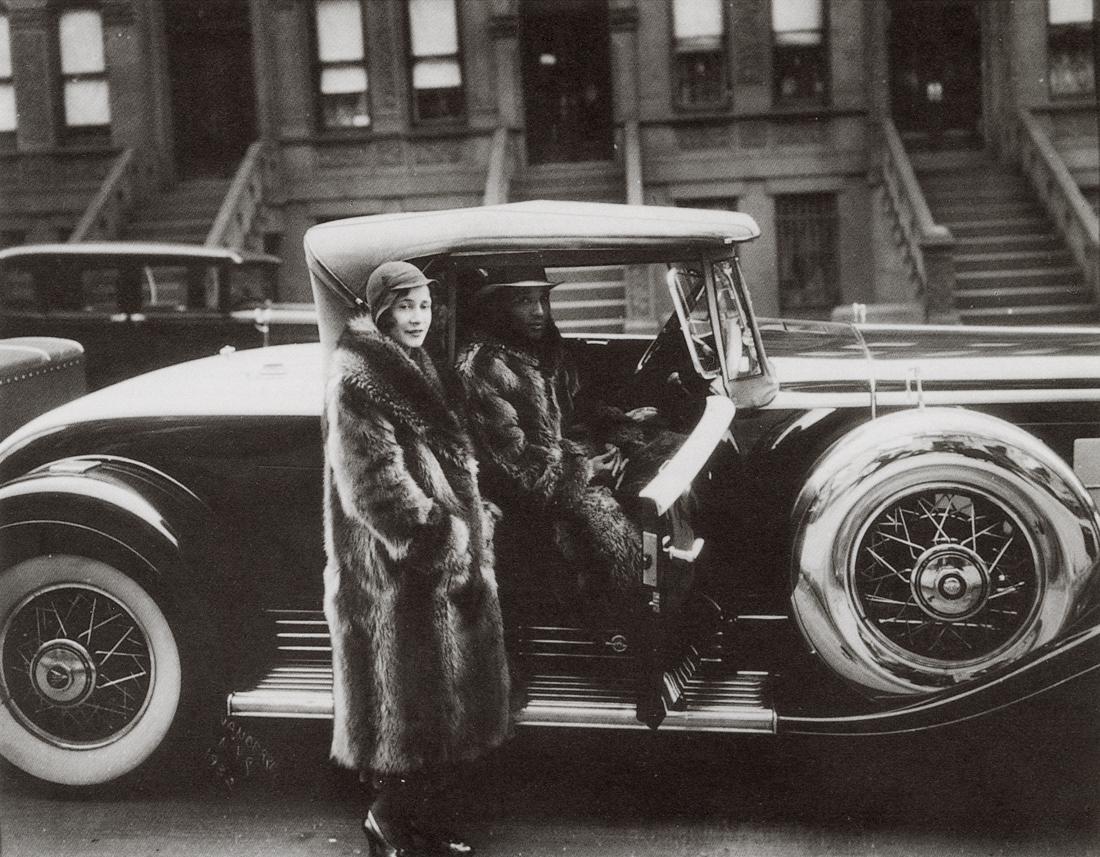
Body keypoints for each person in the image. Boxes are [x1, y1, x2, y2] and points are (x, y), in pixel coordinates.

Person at [322, 260, 510, 857]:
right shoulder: (359, 376)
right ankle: (386, 825)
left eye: (424, 306)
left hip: (430, 568)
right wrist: (446, 543)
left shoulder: (414, 364)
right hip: (394, 572)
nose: (417, 318)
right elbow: (374, 487)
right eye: (405, 306)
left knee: (437, 709)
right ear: (382, 311)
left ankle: (422, 826)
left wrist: (473, 522)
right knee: (403, 713)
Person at [453, 266, 644, 619]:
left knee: (655, 467)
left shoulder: (549, 352)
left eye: (543, 299)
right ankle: (621, 631)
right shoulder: (483, 365)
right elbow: (513, 466)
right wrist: (584, 469)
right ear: (499, 305)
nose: (539, 311)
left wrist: (614, 439)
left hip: (565, 479)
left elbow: (581, 409)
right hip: (524, 505)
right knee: (611, 532)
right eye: (524, 301)